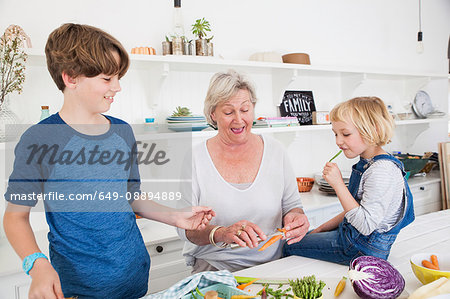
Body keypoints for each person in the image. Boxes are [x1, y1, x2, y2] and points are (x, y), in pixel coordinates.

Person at [3, 23, 214, 299]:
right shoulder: (40, 139)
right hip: (78, 288)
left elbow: (130, 195)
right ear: (70, 77)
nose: (117, 87)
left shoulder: (121, 131)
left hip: (135, 278)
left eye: (118, 77)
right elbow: (14, 217)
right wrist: (37, 264)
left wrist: (176, 216)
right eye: (107, 78)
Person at [176, 70, 309, 273]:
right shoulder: (195, 159)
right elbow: (185, 227)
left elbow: (292, 206)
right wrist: (221, 233)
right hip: (215, 267)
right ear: (213, 114)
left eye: (245, 109)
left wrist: (296, 218)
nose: (239, 119)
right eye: (229, 112)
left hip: (274, 266)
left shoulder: (276, 152)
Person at [283, 96, 414, 265]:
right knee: (305, 236)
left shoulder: (381, 171)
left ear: (372, 130)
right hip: (354, 238)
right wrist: (321, 229)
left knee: (288, 245)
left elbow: (366, 225)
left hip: (361, 248)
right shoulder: (371, 162)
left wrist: (337, 184)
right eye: (336, 134)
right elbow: (355, 210)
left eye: (345, 134)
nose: (338, 141)